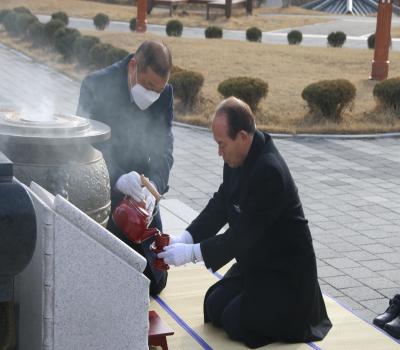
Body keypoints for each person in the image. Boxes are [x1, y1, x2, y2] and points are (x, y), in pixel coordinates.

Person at [158, 97, 332, 348]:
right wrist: (185, 237)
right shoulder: (237, 157)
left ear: (242, 136)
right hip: (258, 263)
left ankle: (288, 317)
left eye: (221, 144)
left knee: (233, 321)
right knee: (214, 305)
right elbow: (220, 204)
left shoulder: (269, 171)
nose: (219, 152)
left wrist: (191, 254)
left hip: (286, 275)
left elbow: (241, 237)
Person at [77, 40, 174, 296]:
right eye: (149, 87)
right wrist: (119, 178)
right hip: (103, 189)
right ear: (133, 66)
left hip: (141, 195)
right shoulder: (96, 85)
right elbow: (83, 149)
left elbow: (164, 150)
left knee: (155, 280)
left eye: (158, 90)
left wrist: (154, 189)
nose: (153, 95)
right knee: (107, 272)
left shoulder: (164, 94)